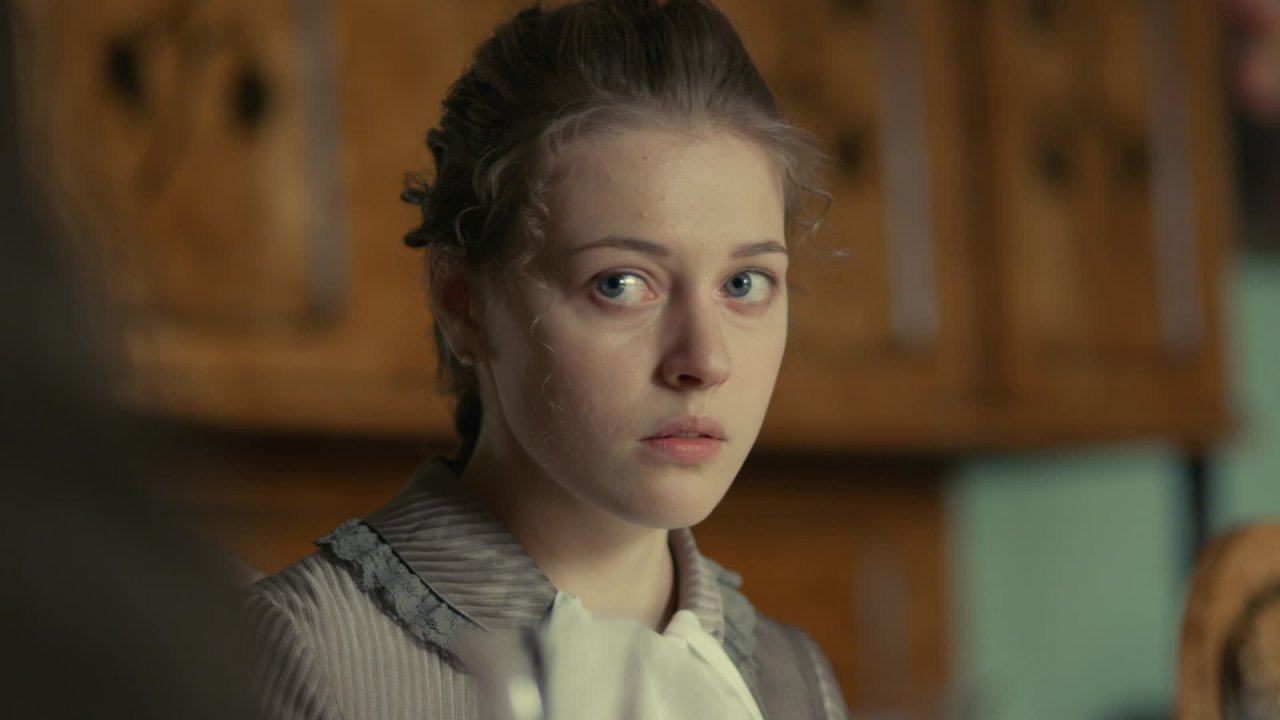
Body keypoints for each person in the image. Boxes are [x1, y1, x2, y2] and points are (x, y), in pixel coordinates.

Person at [244, 1, 847, 718]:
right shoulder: (304, 656)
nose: (704, 360)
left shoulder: (794, 683)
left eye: (744, 284)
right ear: (464, 303)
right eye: (620, 284)